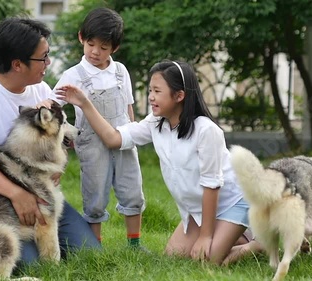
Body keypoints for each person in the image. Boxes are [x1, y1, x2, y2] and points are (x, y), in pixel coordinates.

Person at [56, 59, 261, 265]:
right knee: (174, 257)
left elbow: (212, 185)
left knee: (206, 262)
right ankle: (232, 236)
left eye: (157, 91)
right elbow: (113, 139)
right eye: (150, 90)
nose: (151, 97)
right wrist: (84, 103)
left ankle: (256, 245)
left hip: (232, 202)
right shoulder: (156, 123)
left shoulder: (207, 131)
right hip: (198, 209)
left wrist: (206, 236)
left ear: (179, 96)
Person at [0, 17, 101, 269]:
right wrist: (17, 194)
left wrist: (55, 171)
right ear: (17, 64)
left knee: (89, 254)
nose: (48, 63)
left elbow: (54, 137)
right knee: (31, 265)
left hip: (43, 196)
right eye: (42, 58)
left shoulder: (41, 89)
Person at [52, 7, 146, 248]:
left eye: (104, 48)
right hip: (92, 145)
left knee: (132, 188)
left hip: (123, 139)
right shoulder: (73, 75)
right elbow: (53, 106)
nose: (96, 52)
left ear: (114, 48)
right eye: (91, 44)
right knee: (94, 195)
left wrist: (132, 132)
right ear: (81, 37)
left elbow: (128, 108)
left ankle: (134, 243)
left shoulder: (120, 71)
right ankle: (96, 245)